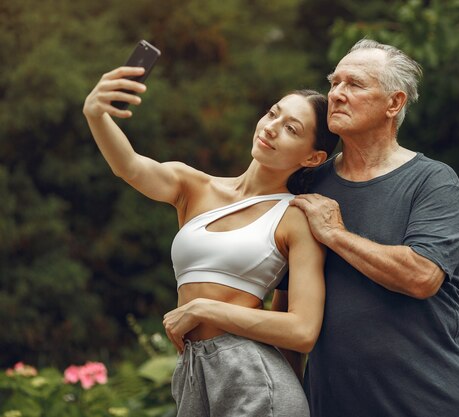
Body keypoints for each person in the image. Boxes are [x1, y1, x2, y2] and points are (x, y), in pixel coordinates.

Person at [83, 65, 339, 416]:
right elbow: (129, 166)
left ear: (312, 158)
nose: (271, 128)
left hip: (252, 377)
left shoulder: (295, 217)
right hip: (193, 371)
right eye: (273, 113)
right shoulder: (194, 186)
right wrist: (95, 113)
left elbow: (303, 330)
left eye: (291, 129)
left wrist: (202, 309)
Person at [285, 39, 459, 416]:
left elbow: (422, 276)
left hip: (431, 404)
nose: (337, 95)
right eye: (334, 83)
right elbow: (287, 306)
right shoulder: (307, 183)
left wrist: (335, 235)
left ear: (394, 103)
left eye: (354, 84)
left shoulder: (432, 180)